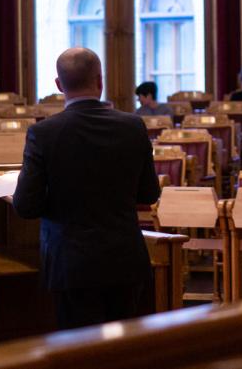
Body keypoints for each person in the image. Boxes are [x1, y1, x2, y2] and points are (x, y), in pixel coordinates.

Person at [13, 47, 160, 330]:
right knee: (122, 353)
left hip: (71, 263)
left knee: (81, 352)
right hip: (125, 260)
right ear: (100, 81)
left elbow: (26, 206)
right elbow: (149, 194)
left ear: (59, 85)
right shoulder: (133, 126)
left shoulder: (43, 133)